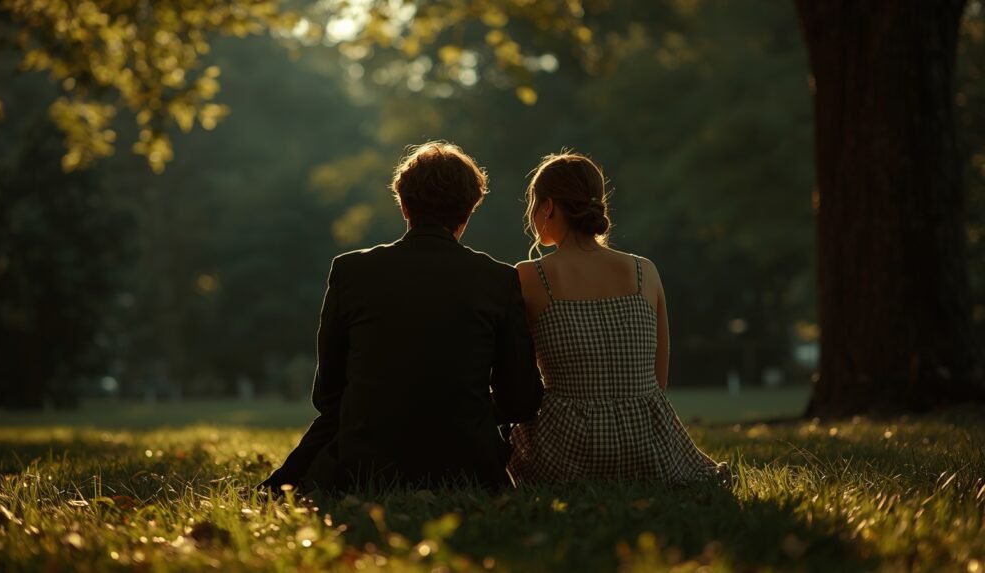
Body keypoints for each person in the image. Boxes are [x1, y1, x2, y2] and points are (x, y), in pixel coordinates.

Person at [260, 141, 543, 493]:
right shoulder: (498, 280)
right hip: (467, 468)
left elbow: (328, 394)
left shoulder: (351, 272)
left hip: (365, 465)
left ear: (404, 206)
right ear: (469, 211)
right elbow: (520, 400)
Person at [507, 152, 727, 484]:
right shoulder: (644, 271)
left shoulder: (530, 276)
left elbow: (518, 377)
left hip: (566, 452)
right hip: (648, 446)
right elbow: (658, 380)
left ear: (548, 207)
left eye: (534, 204)